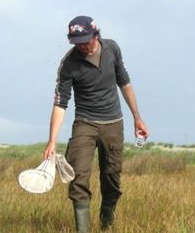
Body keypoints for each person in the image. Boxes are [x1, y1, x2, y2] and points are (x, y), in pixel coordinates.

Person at [43, 15, 150, 232]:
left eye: (86, 40)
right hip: (85, 123)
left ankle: (106, 225)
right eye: (77, 42)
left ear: (96, 34)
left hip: (113, 123)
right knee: (78, 175)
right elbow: (60, 103)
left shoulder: (112, 49)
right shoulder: (68, 64)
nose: (83, 46)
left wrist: (137, 117)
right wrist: (52, 141)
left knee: (111, 177)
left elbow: (124, 83)